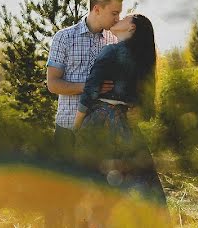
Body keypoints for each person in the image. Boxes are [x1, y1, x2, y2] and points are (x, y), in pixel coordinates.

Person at [73, 14, 171, 225]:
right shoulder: (142, 58)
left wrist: (77, 123)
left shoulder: (111, 51)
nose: (119, 18)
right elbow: (143, 103)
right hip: (125, 125)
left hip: (100, 122)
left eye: (124, 18)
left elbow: (90, 90)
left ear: (132, 27)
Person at [46, 0, 124, 153]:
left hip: (102, 132)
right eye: (114, 13)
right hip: (67, 130)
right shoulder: (64, 38)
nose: (118, 19)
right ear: (97, 9)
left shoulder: (115, 40)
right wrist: (90, 87)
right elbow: (52, 84)